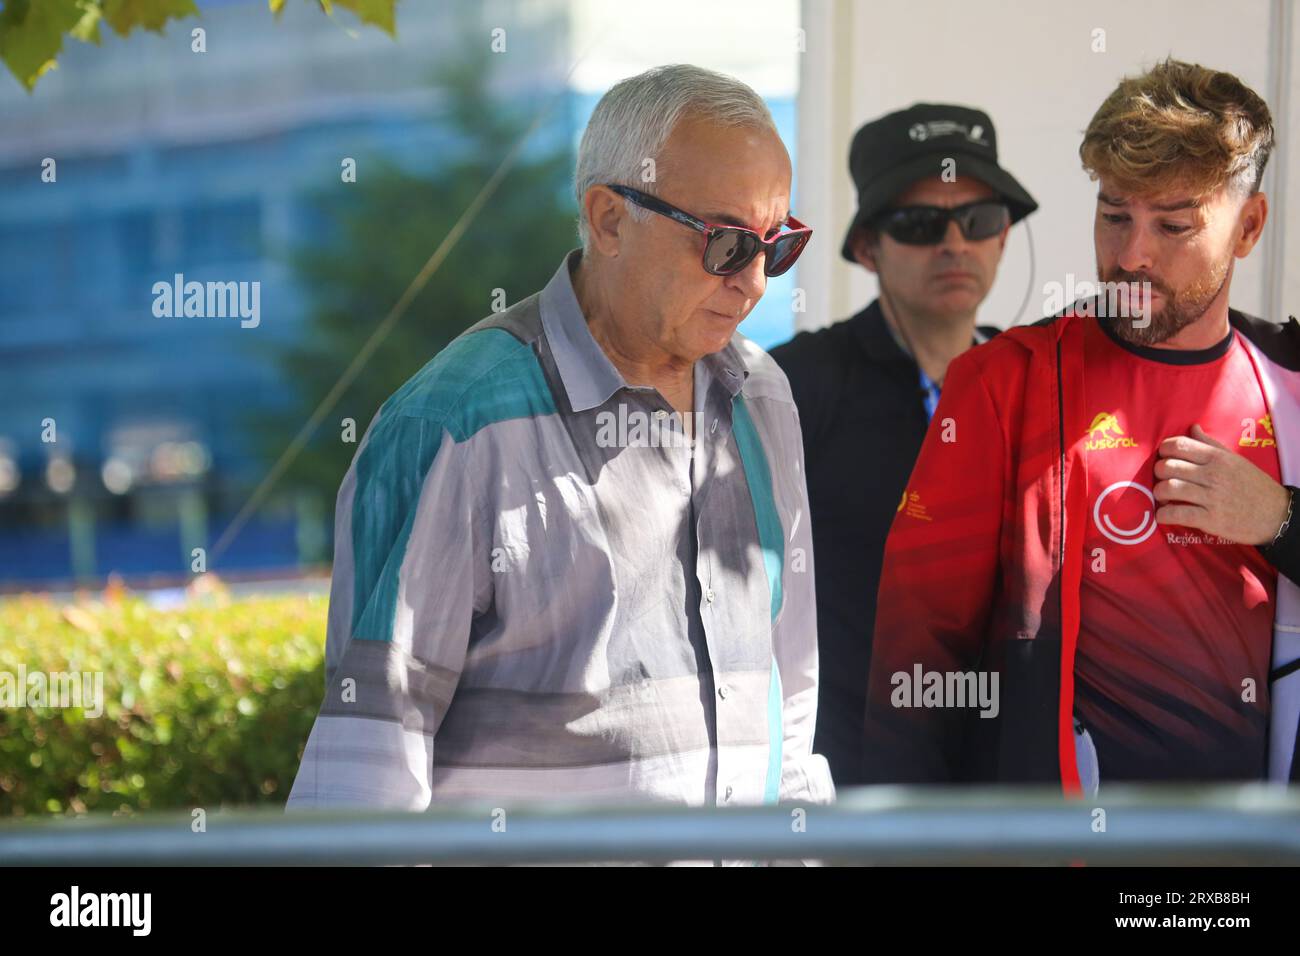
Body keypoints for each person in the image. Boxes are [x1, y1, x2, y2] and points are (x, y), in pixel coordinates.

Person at [287, 64, 833, 816]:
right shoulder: (458, 421)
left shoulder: (762, 395)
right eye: (728, 243)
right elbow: (367, 781)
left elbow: (789, 705)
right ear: (609, 219)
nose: (757, 281)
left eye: (780, 243)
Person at [865, 58, 1300, 792]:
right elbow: (917, 662)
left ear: (1249, 226)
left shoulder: (1289, 378)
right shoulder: (1007, 381)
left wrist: (1282, 520)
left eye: (1173, 224)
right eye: (1114, 214)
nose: (1132, 254)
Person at [769, 104, 1037, 786]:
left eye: (978, 220)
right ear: (867, 249)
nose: (955, 243)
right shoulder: (793, 386)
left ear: (1003, 237)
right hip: (856, 797)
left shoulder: (1038, 381)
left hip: (1008, 793)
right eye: (919, 224)